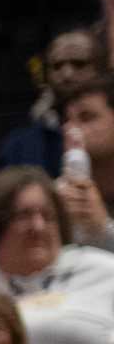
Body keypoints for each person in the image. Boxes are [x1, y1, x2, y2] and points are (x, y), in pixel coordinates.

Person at [0, 29, 106, 175]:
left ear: (102, 69)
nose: (67, 74)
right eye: (57, 66)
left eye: (79, 64)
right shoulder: (20, 143)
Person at [57, 77, 114, 251]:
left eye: (87, 118)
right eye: (67, 121)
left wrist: (103, 229)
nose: (72, 130)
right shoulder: (57, 194)